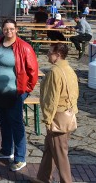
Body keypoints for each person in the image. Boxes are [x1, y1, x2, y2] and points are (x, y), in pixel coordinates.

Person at [0, 18, 39, 172]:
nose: (8, 31)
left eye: (11, 29)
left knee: (16, 124)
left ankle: (20, 157)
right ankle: (6, 150)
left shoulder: (24, 47)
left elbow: (33, 71)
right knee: (3, 121)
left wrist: (25, 91)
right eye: (6, 29)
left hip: (15, 92)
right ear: (2, 29)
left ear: (16, 29)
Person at [36, 42, 79, 183]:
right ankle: (43, 178)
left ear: (58, 55)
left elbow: (51, 98)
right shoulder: (69, 69)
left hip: (58, 117)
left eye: (50, 52)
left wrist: (48, 119)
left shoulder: (55, 72)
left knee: (60, 154)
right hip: (67, 115)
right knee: (50, 149)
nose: (48, 54)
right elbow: (75, 93)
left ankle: (66, 181)